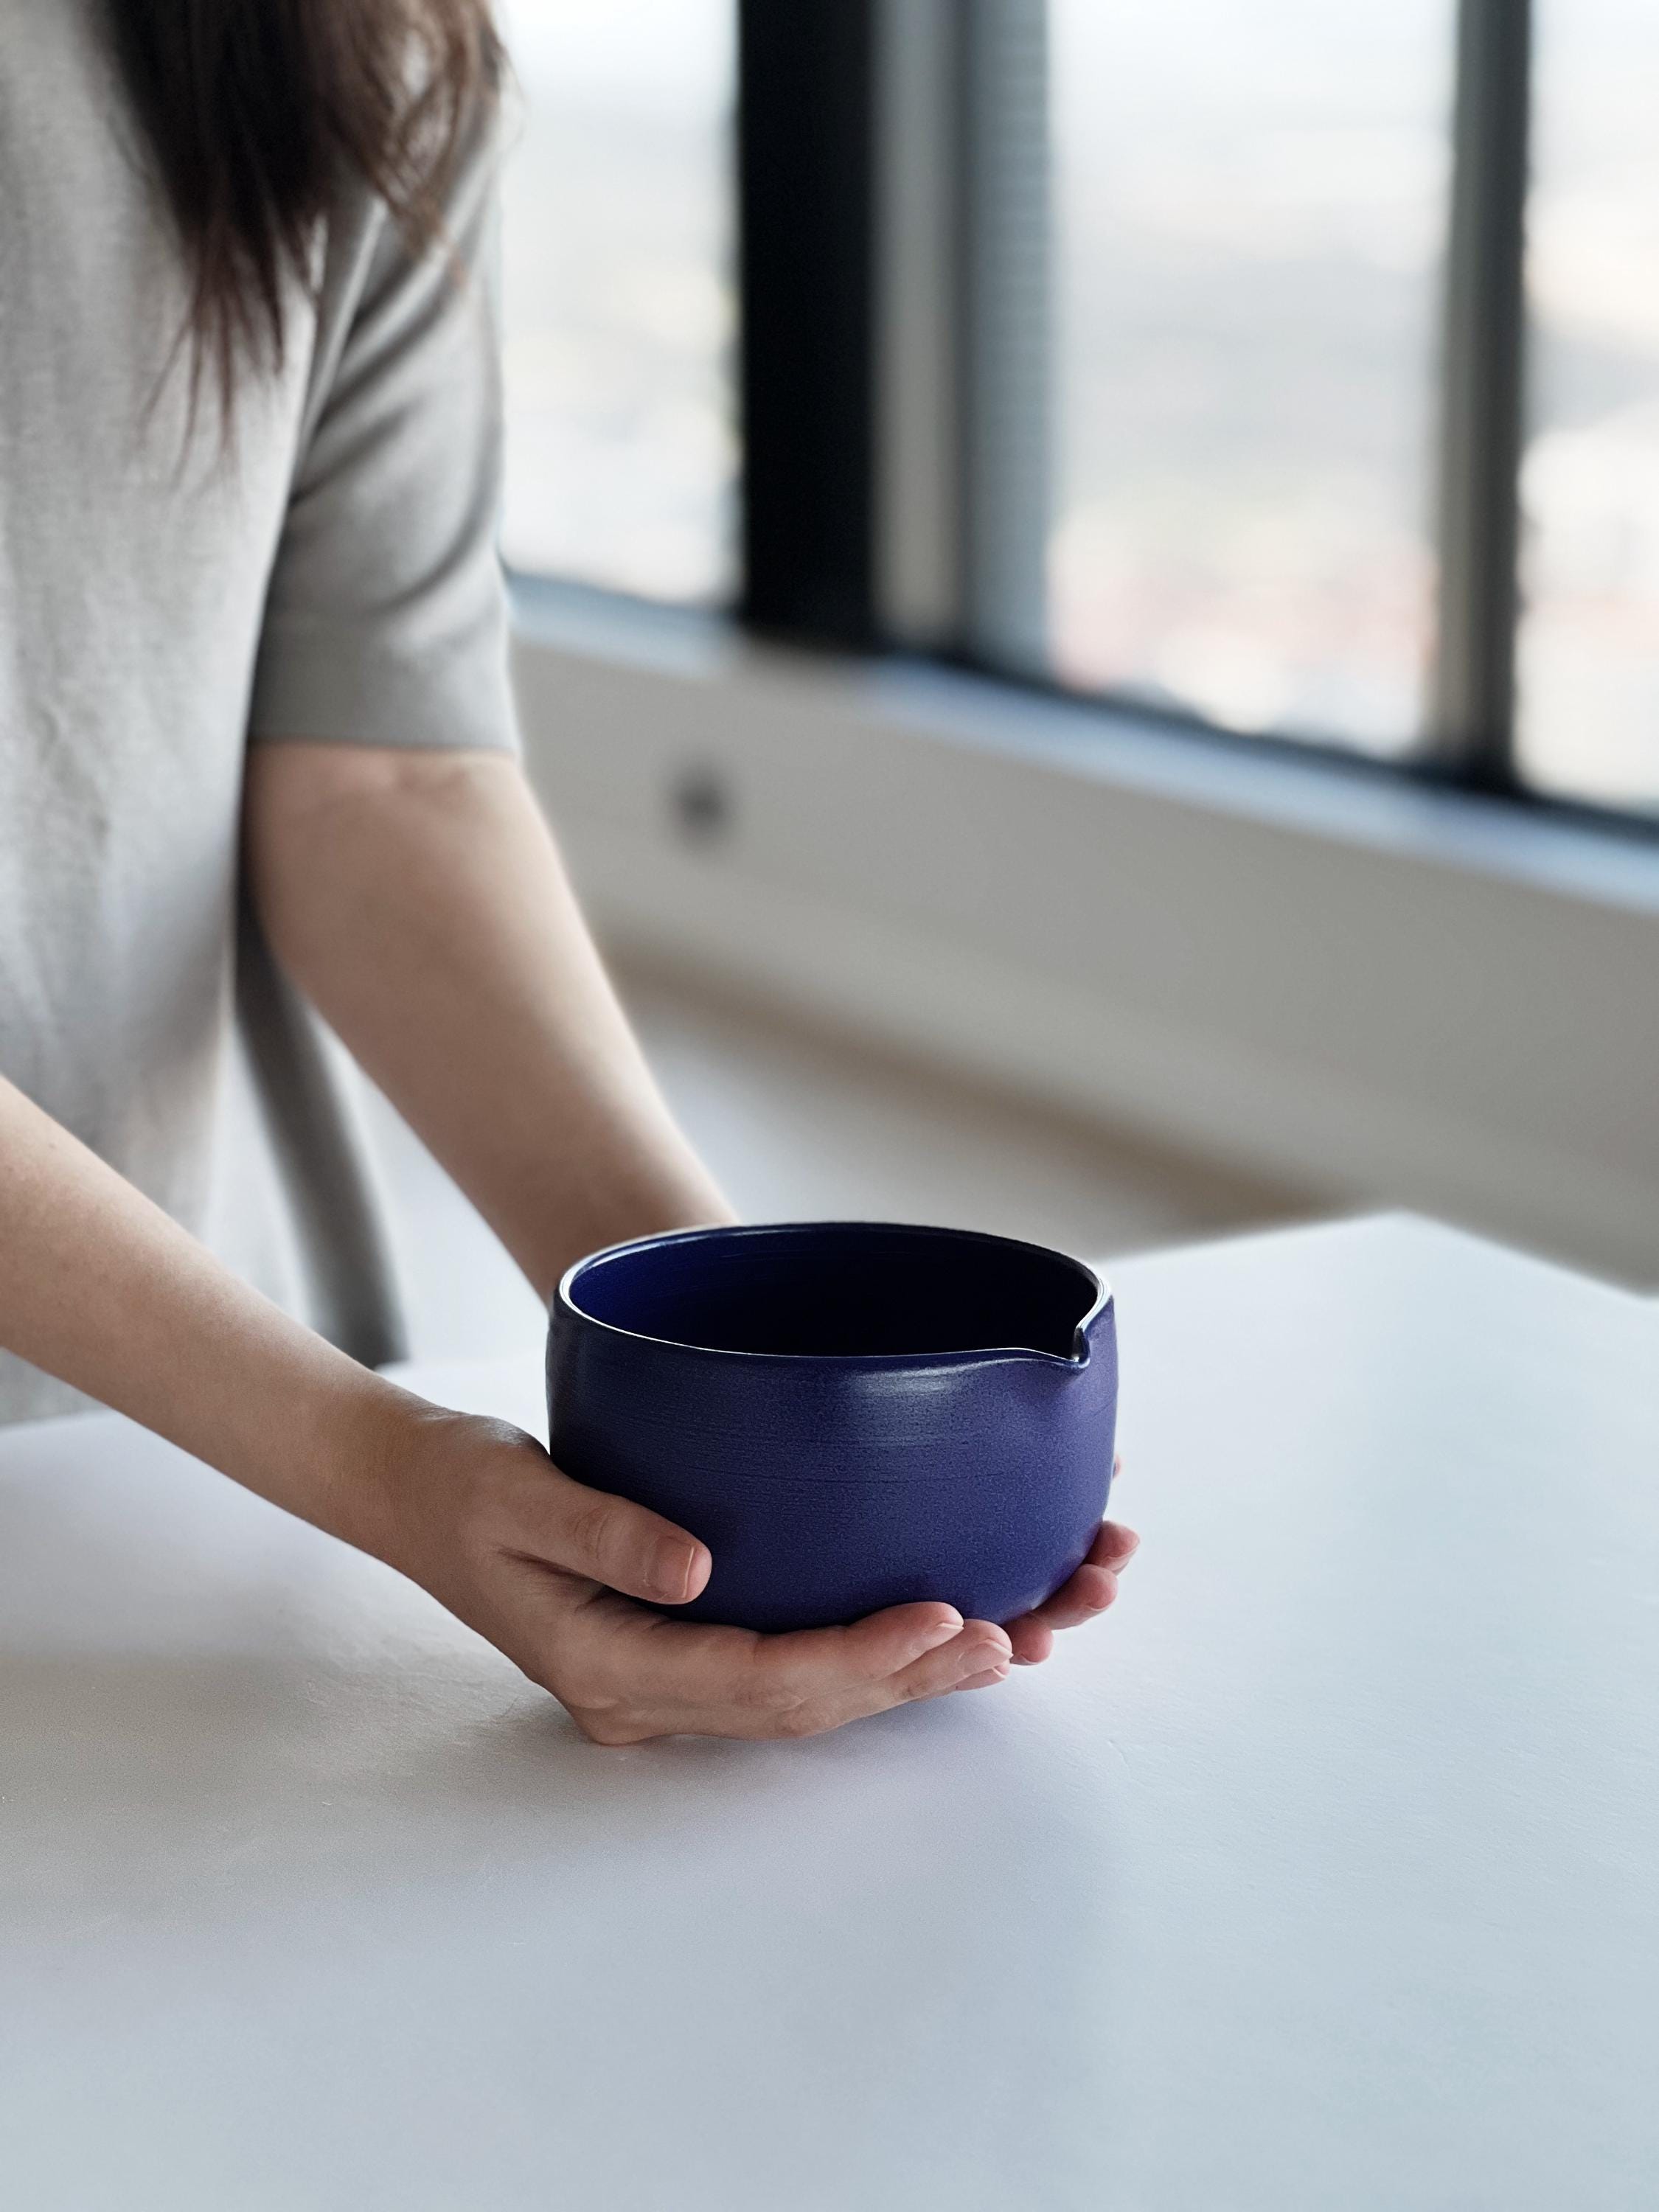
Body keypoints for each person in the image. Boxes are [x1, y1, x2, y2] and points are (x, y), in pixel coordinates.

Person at [0, 0, 1136, 1744]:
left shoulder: (352, 41)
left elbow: (382, 772)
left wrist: (736, 1370)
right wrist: (383, 1472)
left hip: (171, 1450)